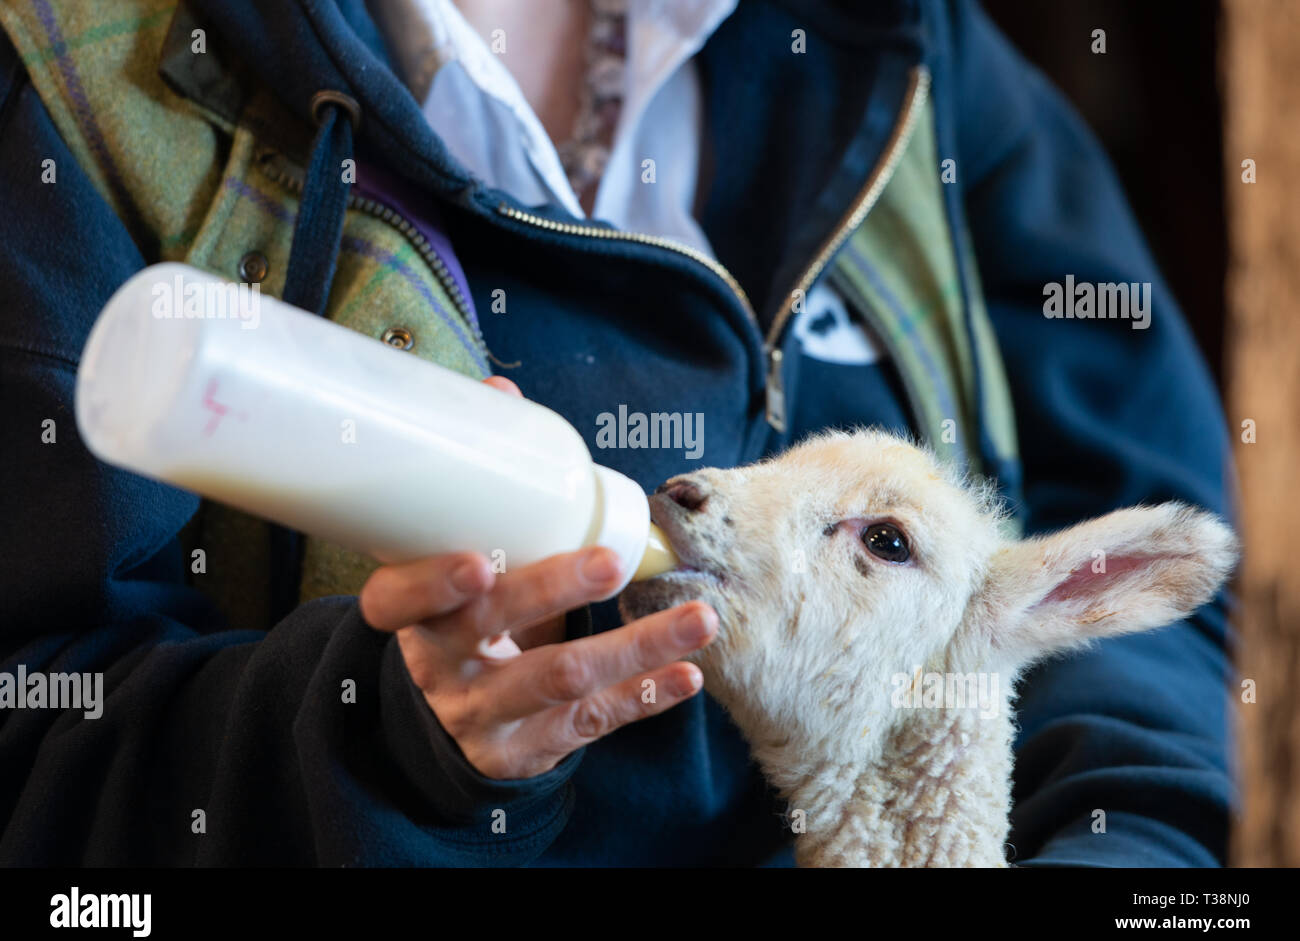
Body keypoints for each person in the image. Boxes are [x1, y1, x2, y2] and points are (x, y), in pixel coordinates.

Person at [0, 0, 1232, 866]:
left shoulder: (901, 44)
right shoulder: (84, 77)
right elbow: (33, 743)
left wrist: (1112, 855)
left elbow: (1152, 551)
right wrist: (386, 750)